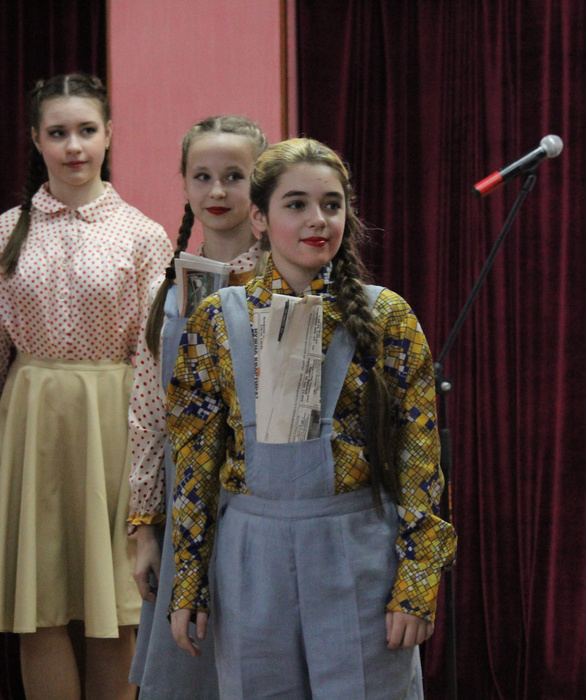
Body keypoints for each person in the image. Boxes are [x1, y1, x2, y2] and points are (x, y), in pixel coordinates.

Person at [165, 138, 457, 698]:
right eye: (296, 204)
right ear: (259, 217)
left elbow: (419, 458)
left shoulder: (387, 316)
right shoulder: (215, 321)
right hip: (252, 560)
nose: (317, 220)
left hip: (356, 555)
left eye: (331, 204)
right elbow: (194, 463)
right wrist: (189, 583)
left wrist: (417, 582)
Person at [0, 74, 171, 700]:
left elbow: (151, 358)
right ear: (35, 140)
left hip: (114, 424)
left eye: (87, 130)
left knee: (115, 609)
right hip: (29, 424)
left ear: (108, 135)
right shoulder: (5, 231)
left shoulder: (143, 234)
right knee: (37, 607)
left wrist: (148, 478)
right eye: (58, 133)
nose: (74, 146)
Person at [127, 115, 267, 699]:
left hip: (263, 503)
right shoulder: (165, 291)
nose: (217, 191)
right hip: (186, 506)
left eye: (234, 176)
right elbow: (147, 416)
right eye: (202, 176)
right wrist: (145, 530)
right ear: (184, 183)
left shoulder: (288, 283)